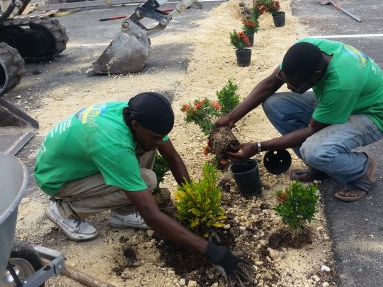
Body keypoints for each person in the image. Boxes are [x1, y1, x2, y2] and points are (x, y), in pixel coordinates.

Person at [34, 92, 254, 285]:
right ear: (137, 125)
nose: (160, 141)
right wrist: (212, 251)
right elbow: (151, 216)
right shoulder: (114, 142)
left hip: (78, 161)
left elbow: (172, 156)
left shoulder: (137, 114)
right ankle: (64, 210)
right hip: (57, 177)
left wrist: (195, 199)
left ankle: (122, 213)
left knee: (148, 148)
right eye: (157, 136)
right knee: (146, 181)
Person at [217, 38, 383, 202]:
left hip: (372, 115)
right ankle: (321, 168)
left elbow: (312, 130)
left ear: (316, 74)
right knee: (274, 104)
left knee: (314, 151)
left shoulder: (341, 84)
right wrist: (231, 118)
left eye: (294, 85)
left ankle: (361, 170)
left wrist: (257, 147)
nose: (288, 86)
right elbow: (271, 83)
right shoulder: (308, 51)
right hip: (343, 103)